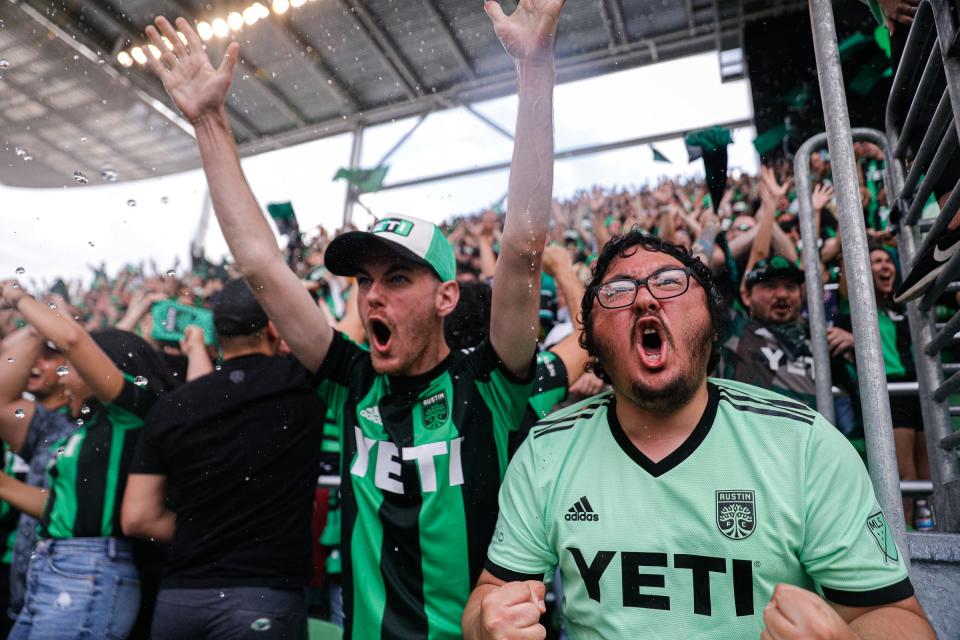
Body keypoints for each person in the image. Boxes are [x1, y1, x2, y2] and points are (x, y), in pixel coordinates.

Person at [141, 1, 563, 637]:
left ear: (447, 297)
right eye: (365, 281)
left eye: (397, 280)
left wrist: (535, 70)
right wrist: (208, 121)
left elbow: (525, 247)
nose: (372, 298)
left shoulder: (492, 383)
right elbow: (260, 263)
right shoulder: (351, 380)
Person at [462, 233, 934, 639]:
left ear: (711, 322)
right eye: (619, 291)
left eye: (669, 282)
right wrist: (486, 624)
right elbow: (487, 596)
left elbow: (894, 616)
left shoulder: (802, 445)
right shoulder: (547, 451)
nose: (645, 299)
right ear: (593, 341)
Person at [122, 279, 324, 639]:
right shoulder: (300, 381)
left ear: (216, 334)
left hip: (179, 603)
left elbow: (138, 518)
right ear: (273, 328)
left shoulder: (172, 407)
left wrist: (206, 531)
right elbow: (343, 339)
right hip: (262, 599)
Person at [0, 280, 177, 639]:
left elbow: (75, 341)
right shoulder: (88, 429)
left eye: (73, 367)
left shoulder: (131, 415)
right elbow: (63, 508)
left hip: (90, 571)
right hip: (54, 569)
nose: (66, 372)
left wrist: (19, 298)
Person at [831, 244, 930, 526]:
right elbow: (848, 271)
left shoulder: (901, 306)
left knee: (927, 476)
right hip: (888, 392)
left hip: (916, 389)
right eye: (875, 261)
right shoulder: (856, 306)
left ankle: (936, 533)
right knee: (905, 477)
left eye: (888, 260)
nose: (885, 266)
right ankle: (906, 543)